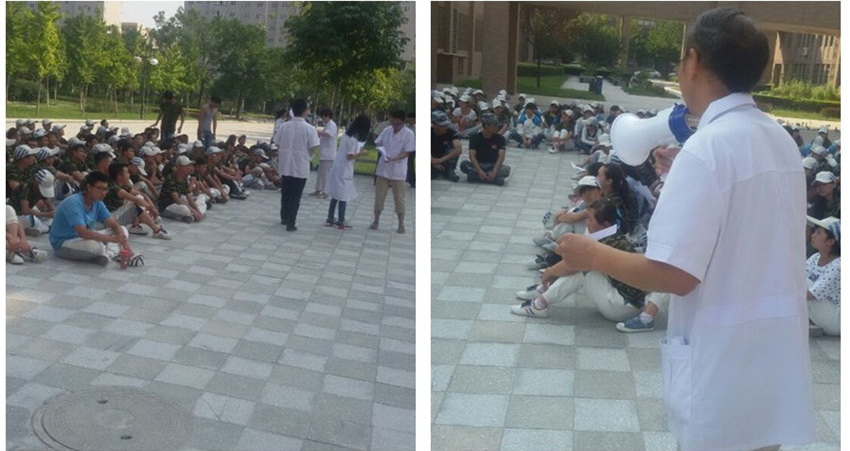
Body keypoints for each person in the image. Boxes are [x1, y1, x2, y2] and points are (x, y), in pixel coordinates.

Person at [556, 8, 814, 451]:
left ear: (693, 61)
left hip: (723, 366)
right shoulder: (778, 140)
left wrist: (593, 254)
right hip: (773, 358)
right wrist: (686, 171)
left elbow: (675, 274)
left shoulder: (706, 150)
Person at [513, 200, 666, 327]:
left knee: (584, 270)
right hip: (627, 301)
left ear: (605, 224)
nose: (586, 222)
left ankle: (540, 303)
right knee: (582, 266)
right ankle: (542, 292)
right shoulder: (612, 234)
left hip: (622, 308)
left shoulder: (607, 241)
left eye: (590, 219)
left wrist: (550, 272)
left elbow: (570, 266)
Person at [48, 171, 143, 267]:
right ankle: (110, 252)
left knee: (122, 229)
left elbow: (113, 223)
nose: (103, 193)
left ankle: (108, 254)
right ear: (89, 187)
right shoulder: (73, 203)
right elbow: (83, 233)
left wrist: (126, 246)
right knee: (95, 247)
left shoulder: (97, 202)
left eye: (105, 189)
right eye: (100, 188)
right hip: (64, 242)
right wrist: (113, 239)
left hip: (83, 238)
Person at [273, 99, 320, 231]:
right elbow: (314, 147)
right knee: (296, 195)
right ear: (305, 111)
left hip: (285, 164)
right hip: (301, 165)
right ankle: (291, 222)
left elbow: (277, 143)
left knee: (286, 192)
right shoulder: (309, 129)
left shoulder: (284, 126)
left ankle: (284, 216)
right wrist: (309, 156)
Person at [371, 109, 415, 234]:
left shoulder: (409, 134)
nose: (394, 125)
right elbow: (379, 142)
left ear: (402, 121)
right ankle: (376, 220)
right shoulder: (387, 130)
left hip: (398, 169)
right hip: (384, 167)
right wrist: (382, 151)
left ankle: (401, 223)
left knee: (399, 198)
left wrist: (394, 158)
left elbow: (407, 152)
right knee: (379, 196)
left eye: (397, 123)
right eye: (392, 122)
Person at [325, 114, 371, 229]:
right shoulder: (353, 140)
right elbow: (350, 156)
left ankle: (330, 218)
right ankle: (341, 221)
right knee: (343, 196)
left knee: (335, 194)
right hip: (344, 169)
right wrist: (361, 153)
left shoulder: (346, 135)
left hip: (338, 167)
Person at [805, 216, 840, 336]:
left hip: (837, 319)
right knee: (796, 280)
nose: (813, 235)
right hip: (823, 311)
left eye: (818, 233)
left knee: (799, 283)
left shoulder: (839, 265)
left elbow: (810, 295)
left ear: (830, 242)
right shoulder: (815, 258)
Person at [460, 114, 510, 186]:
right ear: (486, 126)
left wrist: (494, 171)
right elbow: (472, 156)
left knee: (506, 170)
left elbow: (501, 157)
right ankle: (492, 179)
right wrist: (479, 170)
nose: (497, 127)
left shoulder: (500, 139)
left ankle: (478, 177)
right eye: (495, 125)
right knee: (464, 164)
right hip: (479, 164)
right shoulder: (475, 138)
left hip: (492, 165)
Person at [310, 108, 338, 199]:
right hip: (324, 153)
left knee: (326, 174)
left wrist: (317, 131)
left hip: (328, 154)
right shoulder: (327, 125)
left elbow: (328, 134)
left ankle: (325, 192)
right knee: (320, 173)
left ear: (327, 116)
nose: (322, 119)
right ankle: (318, 189)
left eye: (323, 117)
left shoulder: (332, 125)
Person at [431, 111, 462, 182]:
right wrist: (432, 161)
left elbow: (458, 149)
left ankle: (449, 169)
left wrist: (440, 160)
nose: (445, 127)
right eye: (442, 126)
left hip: (446, 158)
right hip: (432, 157)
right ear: (434, 125)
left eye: (446, 125)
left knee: (453, 148)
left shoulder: (452, 132)